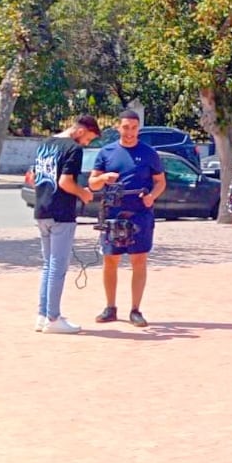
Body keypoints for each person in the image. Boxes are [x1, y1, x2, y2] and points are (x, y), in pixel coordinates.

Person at [88, 110, 167, 327]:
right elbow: (92, 183)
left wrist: (152, 197)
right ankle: (110, 307)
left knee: (139, 260)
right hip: (112, 213)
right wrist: (104, 178)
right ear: (118, 127)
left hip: (140, 214)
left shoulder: (149, 153)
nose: (130, 132)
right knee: (110, 260)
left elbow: (160, 181)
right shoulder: (106, 152)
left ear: (138, 129)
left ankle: (135, 310)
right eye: (125, 127)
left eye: (133, 128)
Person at [31, 115, 100, 334]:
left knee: (48, 265)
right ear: (81, 131)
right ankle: (53, 318)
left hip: (42, 210)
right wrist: (84, 194)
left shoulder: (45, 144)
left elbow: (33, 177)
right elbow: (65, 182)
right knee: (57, 266)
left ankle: (43, 315)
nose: (86, 143)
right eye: (88, 138)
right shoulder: (73, 149)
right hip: (61, 213)